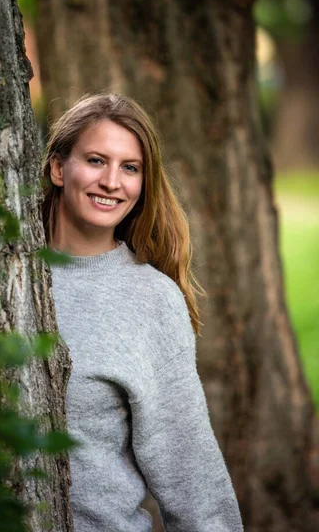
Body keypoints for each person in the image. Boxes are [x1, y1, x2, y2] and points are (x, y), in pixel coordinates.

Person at [42, 93, 244, 532]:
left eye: (130, 168)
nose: (113, 182)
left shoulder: (151, 300)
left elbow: (189, 467)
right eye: (96, 160)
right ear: (58, 168)